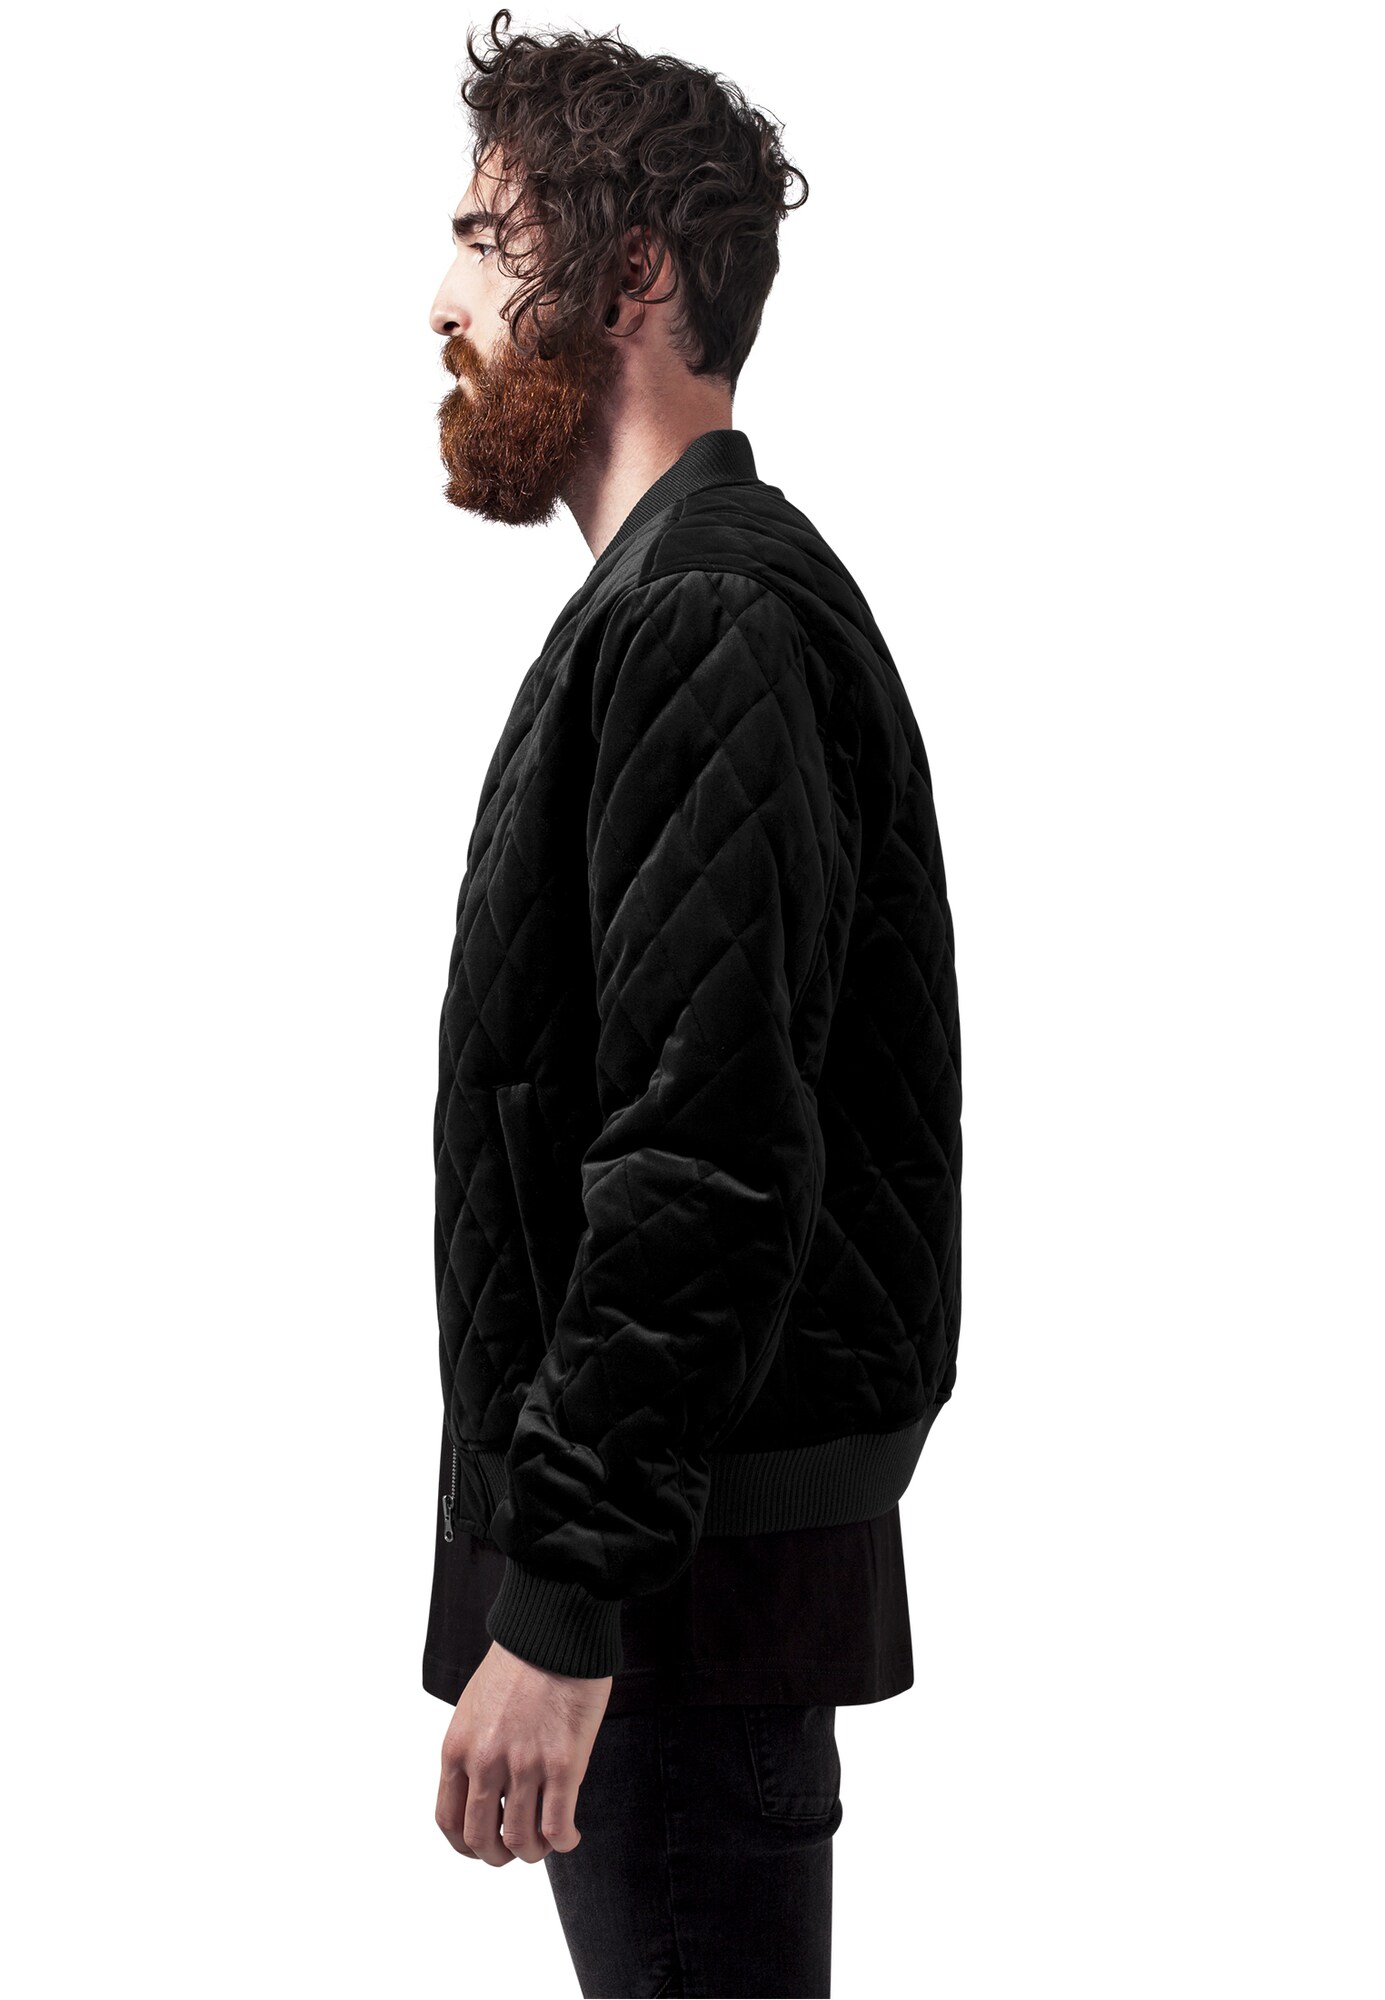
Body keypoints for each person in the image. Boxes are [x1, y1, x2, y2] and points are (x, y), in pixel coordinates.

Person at [422, 15, 963, 1997]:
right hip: (679, 1570)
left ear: (630, 273)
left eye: (489, 241)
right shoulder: (672, 602)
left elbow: (705, 1146)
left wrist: (563, 1600)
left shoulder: (703, 615)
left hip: (674, 1599)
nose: (439, 302)